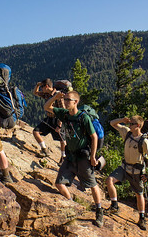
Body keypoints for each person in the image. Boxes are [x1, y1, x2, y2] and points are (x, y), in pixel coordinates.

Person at [44, 90, 104, 227]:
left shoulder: (83, 118)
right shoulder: (65, 114)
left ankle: (99, 210)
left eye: (68, 100)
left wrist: (93, 156)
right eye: (65, 99)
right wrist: (55, 97)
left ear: (76, 102)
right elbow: (47, 107)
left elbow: (94, 137)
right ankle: (72, 205)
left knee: (92, 184)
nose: (65, 102)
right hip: (70, 156)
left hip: (83, 157)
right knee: (59, 184)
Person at [106, 116, 148, 230]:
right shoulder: (127, 132)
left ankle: (142, 217)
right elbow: (112, 123)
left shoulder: (144, 141)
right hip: (125, 167)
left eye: (132, 123)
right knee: (109, 180)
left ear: (138, 126)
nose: (129, 125)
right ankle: (114, 205)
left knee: (139, 194)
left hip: (136, 171)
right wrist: (122, 120)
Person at [32, 78, 66, 159]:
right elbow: (35, 92)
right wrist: (38, 85)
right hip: (49, 118)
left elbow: (63, 111)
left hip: (57, 119)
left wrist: (60, 125)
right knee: (36, 132)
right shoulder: (46, 94)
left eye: (42, 87)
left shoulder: (58, 95)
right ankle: (44, 149)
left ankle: (63, 157)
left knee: (62, 139)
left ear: (46, 86)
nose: (41, 89)